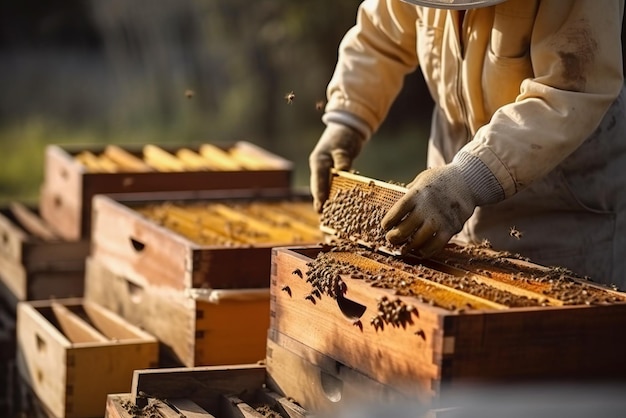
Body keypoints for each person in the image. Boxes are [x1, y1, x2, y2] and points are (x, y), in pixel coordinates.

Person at [308, 0, 626, 289]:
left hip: (559, 215)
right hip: (445, 204)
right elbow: (380, 37)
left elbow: (567, 92)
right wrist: (346, 121)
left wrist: (468, 176)